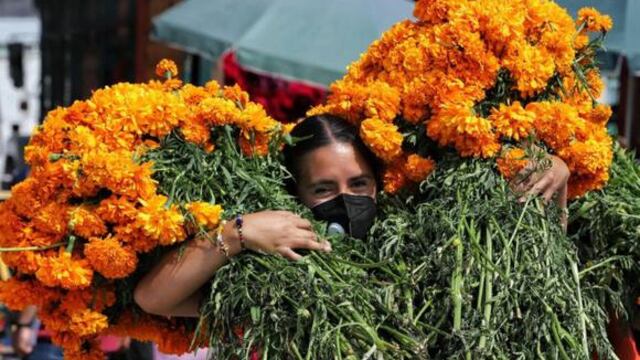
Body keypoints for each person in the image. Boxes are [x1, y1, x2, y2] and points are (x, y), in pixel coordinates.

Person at [134, 114, 569, 317]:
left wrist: (556, 176)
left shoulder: (423, 251)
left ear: (377, 184)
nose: (345, 199)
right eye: (323, 189)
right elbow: (155, 299)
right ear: (294, 194)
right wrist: (237, 233)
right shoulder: (272, 274)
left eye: (358, 185)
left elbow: (541, 265)